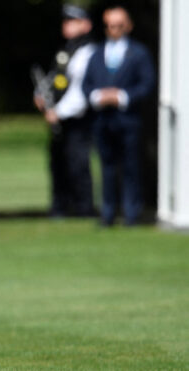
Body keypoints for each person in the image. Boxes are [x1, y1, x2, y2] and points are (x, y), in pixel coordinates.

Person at [82, 6, 155, 226]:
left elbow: (147, 84)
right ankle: (107, 213)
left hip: (128, 119)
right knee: (107, 167)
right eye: (110, 25)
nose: (115, 29)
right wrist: (97, 96)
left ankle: (131, 213)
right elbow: (86, 85)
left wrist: (122, 97)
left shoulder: (139, 53)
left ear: (128, 26)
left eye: (119, 25)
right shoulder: (96, 53)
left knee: (131, 167)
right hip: (103, 120)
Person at [33, 5, 96, 217]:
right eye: (66, 21)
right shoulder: (66, 50)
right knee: (57, 162)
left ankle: (83, 208)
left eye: (73, 21)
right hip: (58, 119)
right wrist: (41, 95)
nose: (67, 26)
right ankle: (60, 206)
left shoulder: (88, 52)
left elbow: (81, 90)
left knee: (78, 163)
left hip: (77, 119)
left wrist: (58, 112)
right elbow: (53, 78)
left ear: (86, 25)